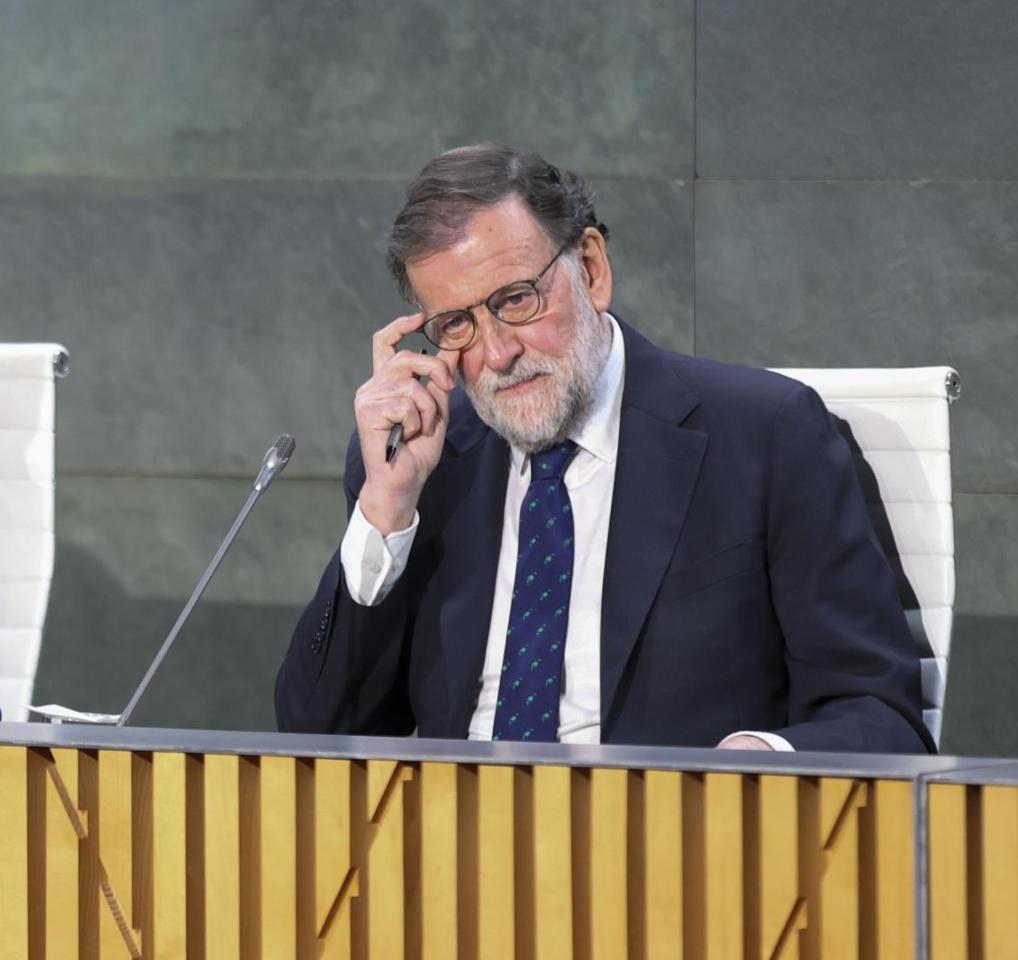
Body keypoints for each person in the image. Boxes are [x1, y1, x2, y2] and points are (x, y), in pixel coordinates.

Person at [275, 144, 930, 753]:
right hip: (459, 850)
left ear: (590, 268)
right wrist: (384, 514)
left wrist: (760, 762)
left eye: (516, 300)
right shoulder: (423, 469)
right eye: (457, 325)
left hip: (670, 846)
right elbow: (319, 737)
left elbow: (879, 714)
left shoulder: (767, 437)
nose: (497, 352)